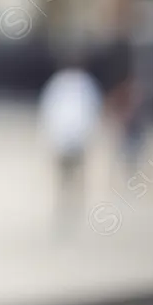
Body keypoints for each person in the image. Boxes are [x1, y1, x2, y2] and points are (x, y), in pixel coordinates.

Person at [37, 57, 103, 231]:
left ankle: (67, 207)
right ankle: (70, 208)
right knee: (73, 177)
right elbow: (93, 112)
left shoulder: (60, 84)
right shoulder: (84, 85)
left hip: (66, 139)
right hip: (74, 139)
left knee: (67, 177)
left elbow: (49, 112)